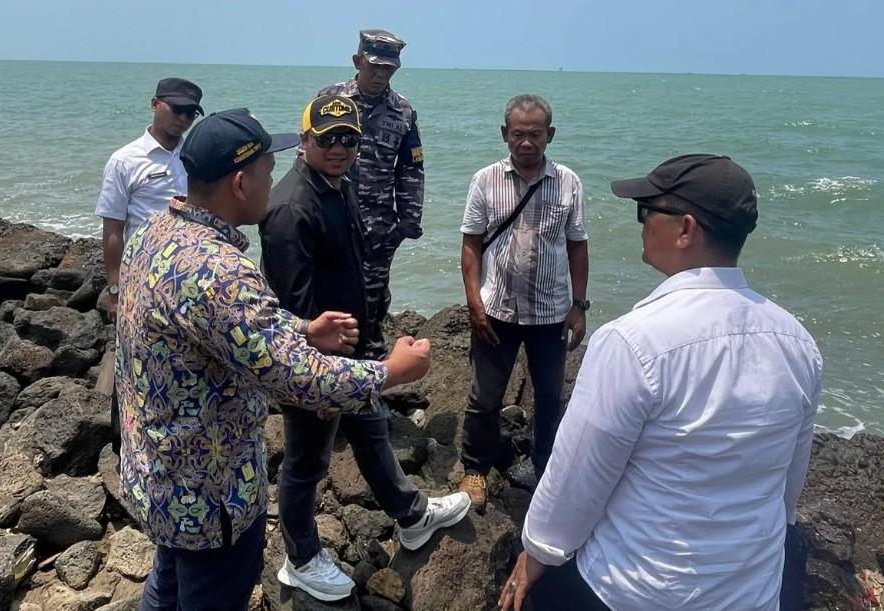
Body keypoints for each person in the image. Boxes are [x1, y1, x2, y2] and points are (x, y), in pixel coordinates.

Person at [115, 108, 433, 611]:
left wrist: (302, 329)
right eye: (267, 170)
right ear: (241, 183)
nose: (273, 182)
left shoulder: (154, 232)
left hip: (159, 476)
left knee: (168, 584)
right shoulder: (219, 271)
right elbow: (295, 377)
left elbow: (217, 328)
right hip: (211, 495)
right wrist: (392, 371)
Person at [498, 154, 823, 611]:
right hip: (752, 590)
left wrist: (536, 555)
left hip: (636, 590)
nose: (642, 223)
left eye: (647, 211)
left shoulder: (634, 341)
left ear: (686, 229)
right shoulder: (798, 342)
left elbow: (578, 478)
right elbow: (788, 490)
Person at [259, 95, 470, 603]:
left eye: (348, 139)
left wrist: (370, 337)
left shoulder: (340, 184)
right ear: (304, 139)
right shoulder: (291, 209)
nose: (338, 148)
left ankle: (412, 516)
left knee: (372, 428)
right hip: (315, 363)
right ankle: (300, 558)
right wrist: (316, 380)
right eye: (326, 138)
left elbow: (353, 267)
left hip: (353, 349)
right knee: (306, 462)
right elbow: (292, 310)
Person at [458, 94, 589, 512]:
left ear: (550, 135)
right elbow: (471, 244)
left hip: (550, 313)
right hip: (497, 309)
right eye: (518, 134)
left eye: (535, 134)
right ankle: (475, 469)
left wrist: (579, 306)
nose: (527, 142)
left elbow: (577, 245)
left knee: (549, 397)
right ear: (505, 134)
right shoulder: (485, 180)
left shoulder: (568, 182)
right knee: (485, 397)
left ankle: (545, 465)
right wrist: (474, 303)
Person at [94, 77, 203, 454]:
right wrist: (115, 289)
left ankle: (176, 445)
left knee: (182, 363)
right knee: (131, 359)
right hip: (141, 280)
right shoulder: (125, 160)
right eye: (178, 109)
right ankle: (122, 445)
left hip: (189, 280)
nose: (184, 118)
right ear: (155, 104)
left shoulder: (197, 157)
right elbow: (113, 229)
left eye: (191, 113)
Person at [316, 29, 425, 359]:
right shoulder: (330, 100)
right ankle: (329, 364)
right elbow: (307, 156)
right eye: (375, 67)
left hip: (378, 227)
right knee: (328, 293)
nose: (381, 75)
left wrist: (407, 223)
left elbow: (411, 168)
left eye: (389, 69)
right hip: (331, 219)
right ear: (358, 61)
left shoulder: (403, 111)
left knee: (373, 300)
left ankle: (371, 365)